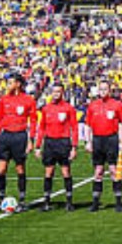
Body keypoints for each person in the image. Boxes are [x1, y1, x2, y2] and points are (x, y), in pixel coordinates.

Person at [0, 74, 38, 211]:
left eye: (10, 82)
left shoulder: (28, 100)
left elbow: (33, 120)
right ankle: (1, 199)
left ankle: (22, 199)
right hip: (5, 136)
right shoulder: (4, 100)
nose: (8, 85)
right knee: (1, 169)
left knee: (20, 168)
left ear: (18, 84)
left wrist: (31, 140)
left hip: (20, 136)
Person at [84, 78, 122, 212]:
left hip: (111, 139)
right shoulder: (93, 105)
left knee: (114, 171)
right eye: (101, 89)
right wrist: (88, 141)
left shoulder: (117, 105)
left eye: (105, 89)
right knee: (98, 171)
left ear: (109, 90)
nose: (103, 91)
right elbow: (87, 125)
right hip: (97, 140)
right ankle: (95, 203)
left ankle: (118, 202)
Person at [34, 82, 78, 212]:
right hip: (49, 143)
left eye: (59, 91)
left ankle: (69, 202)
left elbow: (74, 128)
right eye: (54, 91)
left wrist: (74, 147)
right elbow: (41, 128)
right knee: (49, 172)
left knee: (66, 172)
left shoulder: (69, 108)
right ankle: (46, 202)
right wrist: (38, 146)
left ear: (63, 93)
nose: (56, 94)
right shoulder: (46, 108)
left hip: (63, 142)